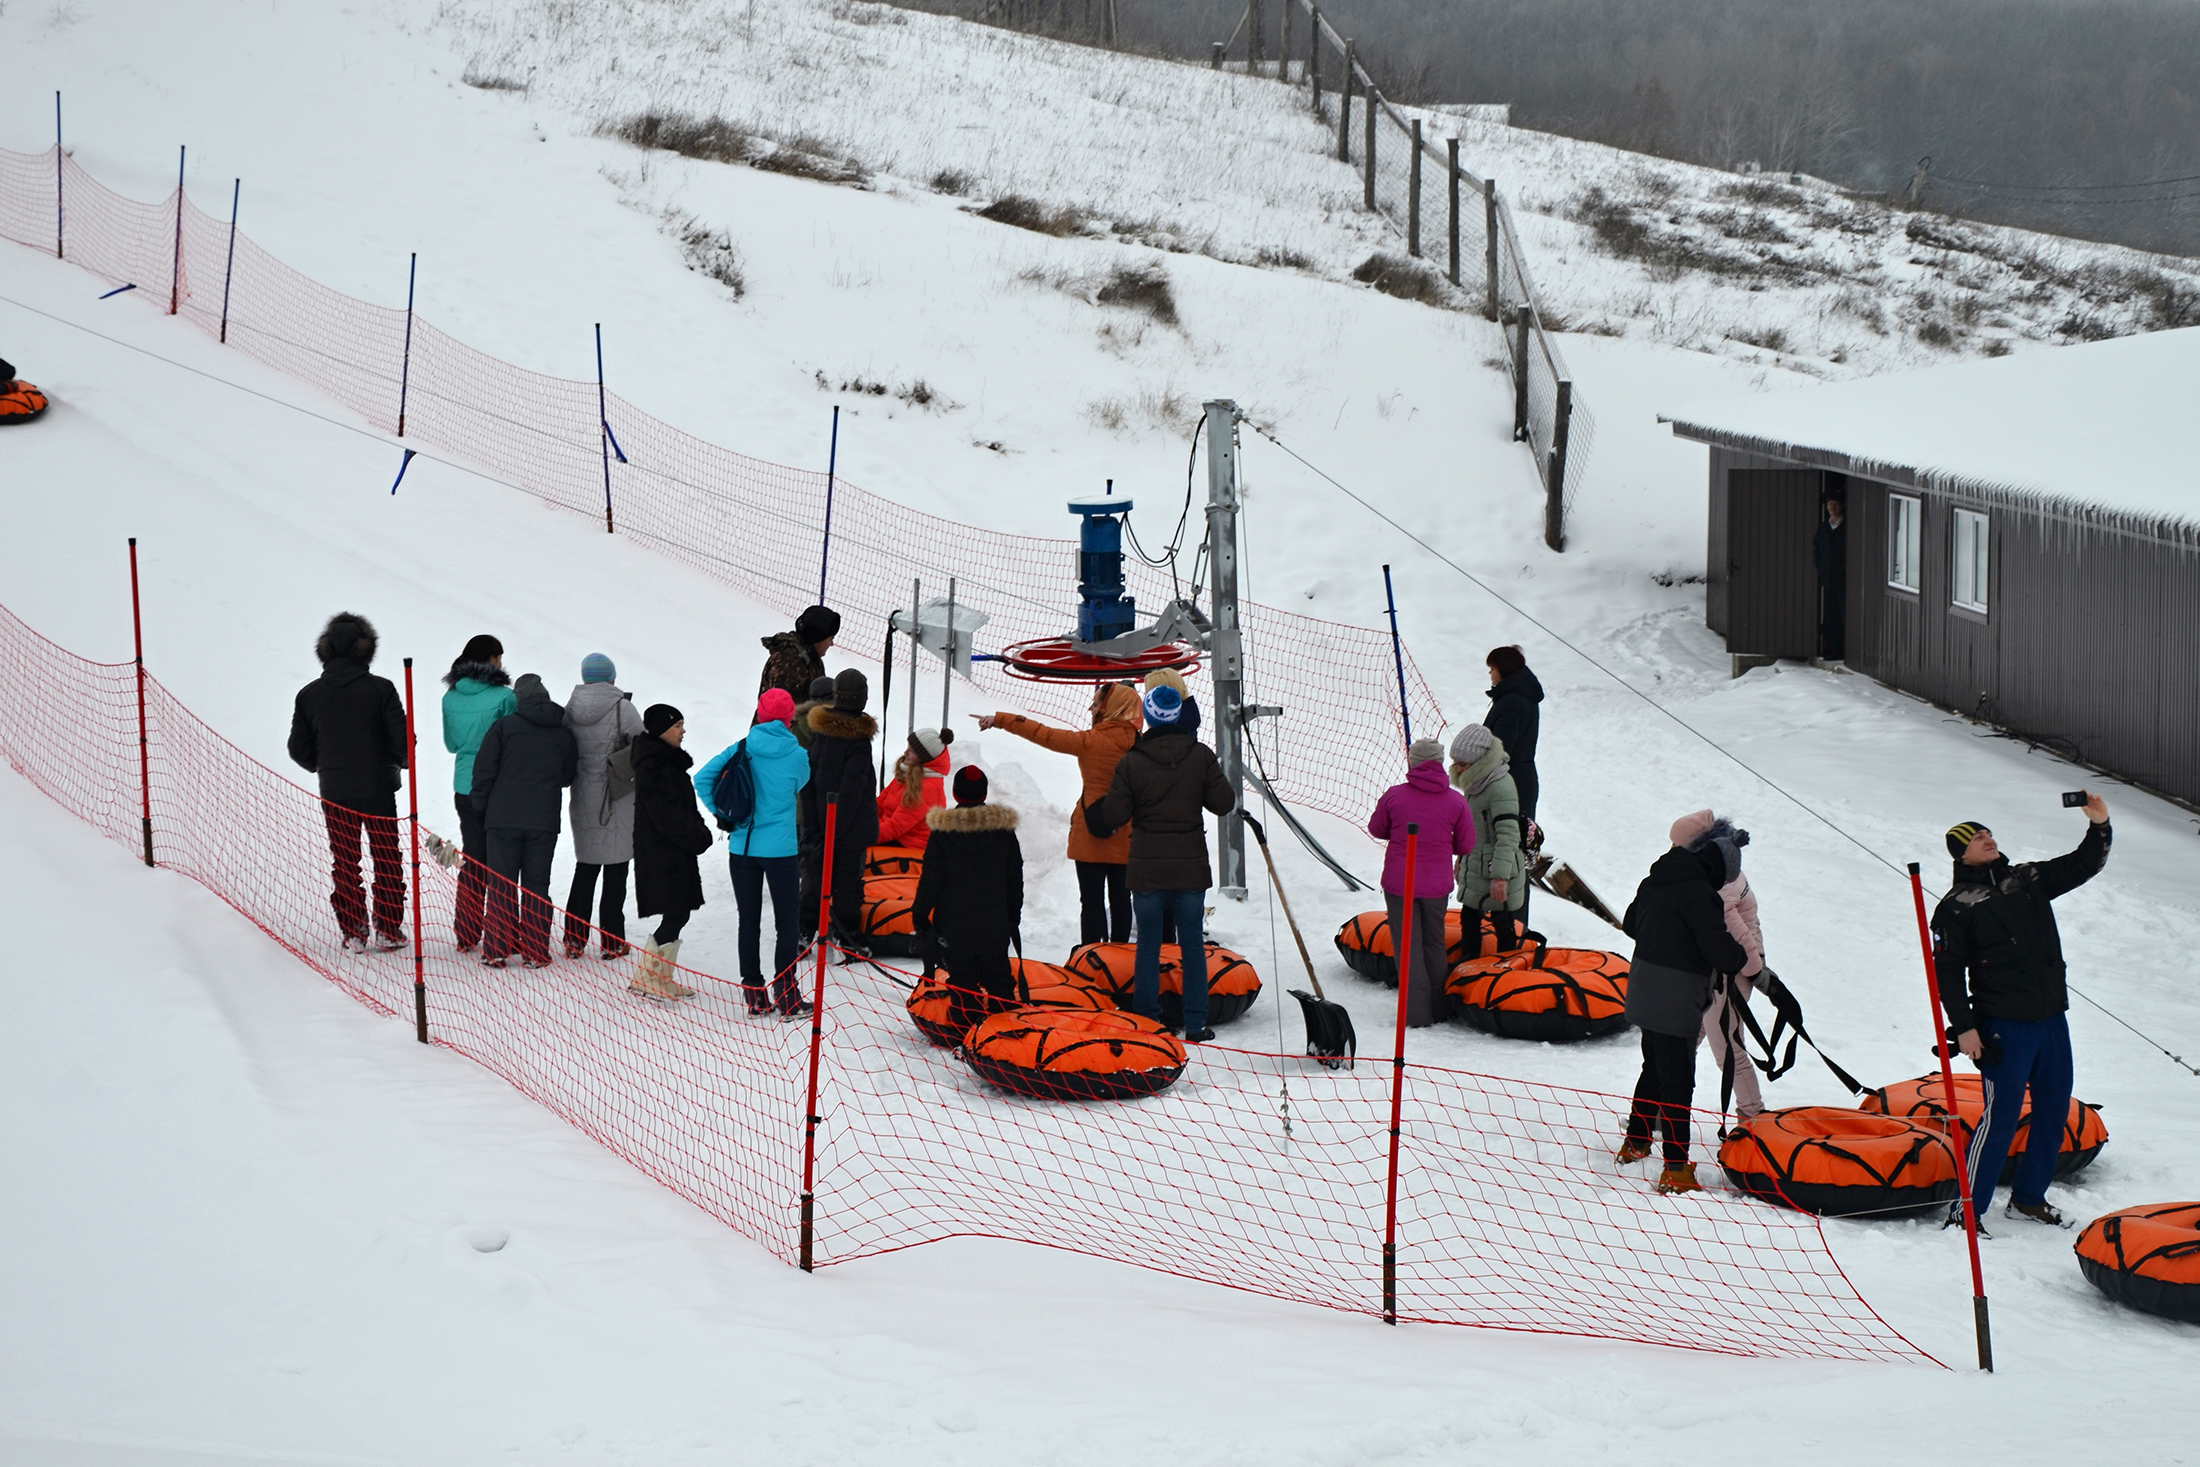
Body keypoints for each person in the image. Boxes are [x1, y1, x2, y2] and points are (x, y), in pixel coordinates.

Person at [1932, 795, 2112, 1229]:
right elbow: (1948, 974)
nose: (1988, 839)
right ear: (1961, 853)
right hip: (2002, 1025)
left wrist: (2100, 825)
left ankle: (2029, 1198)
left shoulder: (2027, 878)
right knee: (2001, 1117)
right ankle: (1966, 1210)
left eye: (1989, 833)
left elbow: (2083, 863)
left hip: (2050, 1017)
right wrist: (1966, 1029)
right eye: (1977, 838)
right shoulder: (1956, 905)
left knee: (2053, 1108)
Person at [1084, 683, 1235, 1042]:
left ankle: (1149, 1021)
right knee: (1192, 945)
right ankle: (1196, 1023)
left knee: (1148, 945)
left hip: (1147, 866)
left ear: (1148, 716)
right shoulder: (1200, 755)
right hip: (1190, 865)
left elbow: (1116, 814)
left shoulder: (1133, 761)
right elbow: (1223, 802)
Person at [1618, 818, 1751, 1194]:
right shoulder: (1700, 895)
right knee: (1678, 1082)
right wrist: (1741, 957)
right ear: (1716, 869)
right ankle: (1676, 1169)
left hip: (1643, 989)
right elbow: (1720, 952)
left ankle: (1636, 1140)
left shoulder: (1655, 879)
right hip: (1676, 999)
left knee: (1655, 1069)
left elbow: (1631, 924)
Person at [978, 682, 1141, 944]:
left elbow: (1044, 734)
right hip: (1129, 834)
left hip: (1091, 832)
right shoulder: (1142, 745)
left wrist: (1001, 720)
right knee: (1122, 899)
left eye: (1097, 703)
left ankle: (1091, 957)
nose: (1091, 707)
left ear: (1109, 708)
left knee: (1091, 901)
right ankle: (1120, 958)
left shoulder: (1090, 741)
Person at [288, 613, 409, 952]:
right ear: (364, 650)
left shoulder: (309, 695)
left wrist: (325, 768)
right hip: (379, 790)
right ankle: (388, 927)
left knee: (345, 860)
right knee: (386, 857)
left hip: (336, 792)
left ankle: (354, 928)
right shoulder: (381, 689)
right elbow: (401, 744)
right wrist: (402, 760)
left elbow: (298, 748)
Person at [695, 688, 813, 1016]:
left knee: (748, 921)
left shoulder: (742, 748)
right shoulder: (798, 755)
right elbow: (798, 786)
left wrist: (724, 814)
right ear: (790, 718)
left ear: (760, 715)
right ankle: (788, 994)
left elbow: (702, 779)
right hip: (782, 850)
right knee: (787, 923)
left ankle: (754, 995)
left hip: (743, 848)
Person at [470, 674, 578, 968]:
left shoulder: (504, 728)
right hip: (543, 821)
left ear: (519, 699)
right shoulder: (562, 734)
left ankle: (496, 950)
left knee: (501, 885)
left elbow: (483, 773)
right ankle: (535, 951)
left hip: (502, 820)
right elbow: (568, 777)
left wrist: (482, 811)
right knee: (537, 885)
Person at [1369, 737, 1478, 1027]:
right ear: (1441, 763)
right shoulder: (1456, 801)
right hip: (1436, 885)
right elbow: (1467, 844)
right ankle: (1440, 1007)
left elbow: (1376, 828)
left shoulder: (1395, 796)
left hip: (1399, 883)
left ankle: (1416, 1014)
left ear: (1413, 763)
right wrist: (1441, 841)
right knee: (1433, 942)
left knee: (1408, 946)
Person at [910, 765, 1025, 1033]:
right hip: (994, 922)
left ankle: (963, 1031)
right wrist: (1012, 917)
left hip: (953, 924)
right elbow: (1014, 878)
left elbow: (930, 880)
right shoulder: (1003, 831)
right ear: (984, 793)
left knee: (962, 980)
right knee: (999, 979)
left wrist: (920, 915)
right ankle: (1007, 1037)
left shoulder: (943, 833)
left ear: (955, 793)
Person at [1669, 810, 1766, 1121]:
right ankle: (1661, 1109)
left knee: (1729, 1049)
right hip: (1713, 971)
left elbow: (1738, 933)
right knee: (1685, 1040)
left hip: (1730, 973)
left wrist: (1755, 972)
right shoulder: (1716, 868)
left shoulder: (1719, 881)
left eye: (1676, 846)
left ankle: (1752, 1119)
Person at [630, 704, 715, 1000]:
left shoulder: (667, 762)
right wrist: (697, 835)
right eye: (677, 725)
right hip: (663, 853)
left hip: (673, 851)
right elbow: (666, 815)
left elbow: (682, 808)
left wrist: (697, 830)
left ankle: (659, 976)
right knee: (676, 912)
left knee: (678, 912)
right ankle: (648, 976)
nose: (683, 731)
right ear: (661, 729)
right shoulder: (655, 765)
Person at [440, 635, 515, 953]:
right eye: (499, 656)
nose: (501, 662)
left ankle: (466, 931)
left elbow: (452, 745)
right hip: (497, 786)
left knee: (473, 857)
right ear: (491, 659)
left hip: (464, 787)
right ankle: (502, 933)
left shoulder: (450, 697)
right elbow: (513, 744)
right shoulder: (504, 696)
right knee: (500, 860)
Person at [801, 669, 879, 957]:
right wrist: (835, 831)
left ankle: (803, 931)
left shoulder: (820, 733)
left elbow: (807, 782)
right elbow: (852, 790)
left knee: (815, 879)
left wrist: (813, 826)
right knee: (847, 884)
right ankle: (848, 939)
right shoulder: (858, 740)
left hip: (820, 822)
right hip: (849, 828)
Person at [1447, 725, 1524, 954]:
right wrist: (1462, 857)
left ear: (1480, 761)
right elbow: (1474, 828)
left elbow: (1509, 836)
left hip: (1498, 869)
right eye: (1456, 764)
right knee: (1469, 918)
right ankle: (1468, 969)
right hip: (1475, 864)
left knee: (1503, 922)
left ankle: (1504, 972)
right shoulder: (1475, 782)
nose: (1458, 770)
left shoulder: (1501, 786)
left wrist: (1500, 876)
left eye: (1464, 765)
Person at [875, 728, 953, 852]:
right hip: (890, 834)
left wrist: (863, 836)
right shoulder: (908, 773)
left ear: (924, 759)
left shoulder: (927, 787)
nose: (905, 752)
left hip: (909, 845)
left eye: (912, 751)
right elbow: (877, 805)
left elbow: (897, 826)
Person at [759, 605, 840, 703]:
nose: (831, 644)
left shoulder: (810, 658)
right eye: (830, 639)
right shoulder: (788, 666)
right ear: (817, 639)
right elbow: (786, 711)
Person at [1813, 490, 1846, 663]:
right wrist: (1820, 568)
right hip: (1828, 580)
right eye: (1829, 504)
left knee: (1843, 616)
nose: (1832, 507)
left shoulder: (1846, 528)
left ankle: (1842, 649)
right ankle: (1830, 648)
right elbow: (1816, 550)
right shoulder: (1824, 528)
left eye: (1835, 504)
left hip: (1843, 580)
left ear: (1841, 507)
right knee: (1830, 617)